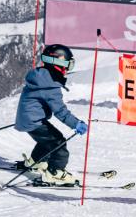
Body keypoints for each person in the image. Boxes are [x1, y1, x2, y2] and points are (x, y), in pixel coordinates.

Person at [16, 43, 88, 187]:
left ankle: (37, 162)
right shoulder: (49, 85)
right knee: (58, 143)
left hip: (29, 119)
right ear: (58, 63)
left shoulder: (41, 76)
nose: (68, 69)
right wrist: (76, 124)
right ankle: (55, 173)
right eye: (68, 64)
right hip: (33, 121)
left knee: (47, 141)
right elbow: (60, 111)